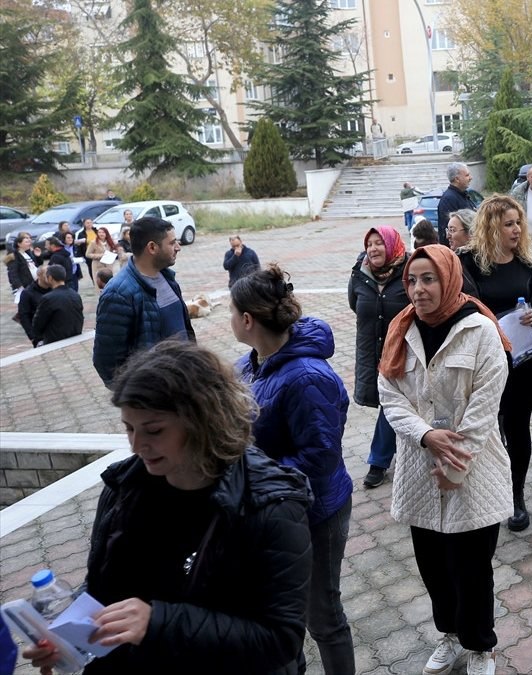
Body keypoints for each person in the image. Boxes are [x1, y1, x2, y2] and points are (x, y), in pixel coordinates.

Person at [21, 341, 313, 675]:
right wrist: (69, 633)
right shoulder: (125, 486)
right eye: (128, 428)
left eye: (154, 430)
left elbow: (279, 639)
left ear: (203, 420)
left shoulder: (270, 506)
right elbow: (106, 587)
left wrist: (158, 621)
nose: (136, 445)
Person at [376, 245, 513, 675]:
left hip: (472, 470)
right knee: (433, 566)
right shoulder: (402, 330)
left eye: (428, 279)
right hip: (420, 466)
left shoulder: (480, 331)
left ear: (449, 279)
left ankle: (480, 646)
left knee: (472, 568)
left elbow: (484, 407)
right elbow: (390, 397)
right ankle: (451, 635)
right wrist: (426, 435)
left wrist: (455, 466)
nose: (418, 289)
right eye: (412, 280)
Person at [231, 266, 355, 675]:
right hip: (274, 509)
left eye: (232, 312)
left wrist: (256, 475)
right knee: (284, 614)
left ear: (248, 320)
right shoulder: (249, 364)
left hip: (317, 511)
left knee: (322, 615)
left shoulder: (305, 377)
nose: (229, 320)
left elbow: (319, 456)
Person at [458, 195, 532, 533]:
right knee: (484, 430)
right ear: (491, 227)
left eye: (518, 222)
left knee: (516, 428)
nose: (517, 229)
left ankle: (516, 496)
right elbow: (460, 304)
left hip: (522, 363)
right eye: (509, 224)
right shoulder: (468, 262)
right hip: (482, 361)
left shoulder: (531, 261)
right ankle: (484, 489)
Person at [93, 216, 194, 387]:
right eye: (172, 243)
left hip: (184, 386)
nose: (178, 248)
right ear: (152, 247)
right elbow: (107, 362)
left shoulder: (168, 278)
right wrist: (140, 397)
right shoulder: (118, 293)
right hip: (155, 398)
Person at [351, 226, 411, 489]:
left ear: (392, 244)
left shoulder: (409, 271)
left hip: (403, 350)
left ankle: (379, 460)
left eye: (379, 243)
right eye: (369, 244)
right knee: (390, 402)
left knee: (394, 403)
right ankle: (388, 456)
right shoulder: (360, 273)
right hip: (371, 349)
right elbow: (355, 304)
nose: (373, 248)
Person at [30, 264, 84, 346]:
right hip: (76, 336)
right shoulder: (75, 294)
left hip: (55, 340)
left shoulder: (48, 298)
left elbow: (38, 324)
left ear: (50, 278)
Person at [437, 162, 475, 245]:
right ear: (457, 179)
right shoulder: (449, 199)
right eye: (467, 175)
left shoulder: (463, 195)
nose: (470, 178)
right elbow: (450, 231)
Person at [17, 265, 51, 344]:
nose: (50, 277)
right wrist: (33, 337)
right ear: (39, 276)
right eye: (47, 274)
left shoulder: (54, 288)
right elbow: (23, 315)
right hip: (41, 335)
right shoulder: (27, 293)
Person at [5, 231, 40, 299]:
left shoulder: (28, 253)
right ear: (19, 244)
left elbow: (37, 265)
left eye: (29, 241)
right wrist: (19, 286)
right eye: (26, 242)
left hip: (33, 284)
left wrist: (38, 256)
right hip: (24, 286)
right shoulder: (14, 256)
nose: (29, 243)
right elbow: (13, 273)